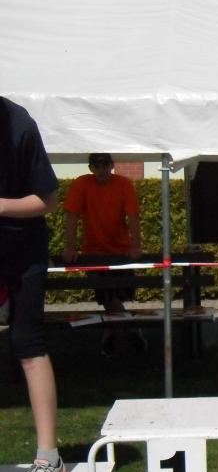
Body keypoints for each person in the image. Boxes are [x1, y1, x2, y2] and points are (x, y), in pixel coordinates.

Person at [0, 97, 70, 472]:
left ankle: (49, 461)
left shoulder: (18, 124)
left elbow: (47, 200)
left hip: (22, 250)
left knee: (27, 343)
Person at [62, 153, 146, 357]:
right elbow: (71, 217)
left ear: (112, 165)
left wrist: (136, 246)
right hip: (93, 253)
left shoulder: (124, 184)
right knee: (108, 297)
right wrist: (70, 247)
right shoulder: (81, 184)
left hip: (121, 252)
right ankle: (130, 328)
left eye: (105, 165)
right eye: (97, 166)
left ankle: (110, 337)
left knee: (111, 298)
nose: (102, 170)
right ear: (91, 168)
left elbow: (133, 217)